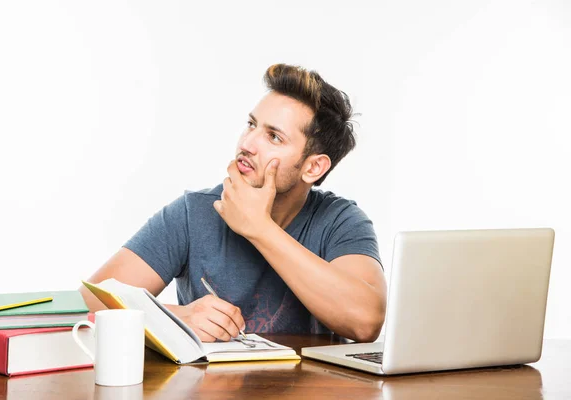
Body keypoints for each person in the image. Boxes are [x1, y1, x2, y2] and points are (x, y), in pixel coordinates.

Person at [79, 63, 387, 343]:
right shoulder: (192, 213)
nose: (247, 143)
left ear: (313, 167)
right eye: (251, 124)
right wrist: (174, 317)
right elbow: (84, 307)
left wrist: (259, 228)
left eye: (274, 137)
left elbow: (365, 323)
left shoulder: (341, 220)